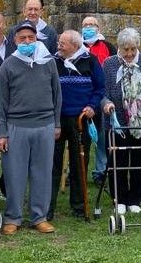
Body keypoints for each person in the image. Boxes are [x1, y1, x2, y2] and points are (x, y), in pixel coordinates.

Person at [0, 20, 61, 235]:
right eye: (22, 38)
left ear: (36, 39)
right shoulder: (8, 65)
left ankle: (39, 216)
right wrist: (2, 133)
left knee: (42, 173)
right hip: (16, 126)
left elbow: (57, 94)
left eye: (30, 38)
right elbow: (0, 103)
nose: (26, 41)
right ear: (15, 40)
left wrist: (57, 123)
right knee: (15, 174)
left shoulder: (48, 62)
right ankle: (13, 217)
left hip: (45, 125)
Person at [101, 27, 141, 214]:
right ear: (119, 47)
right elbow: (102, 92)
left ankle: (135, 198)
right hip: (117, 122)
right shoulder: (109, 63)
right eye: (125, 49)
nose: (129, 54)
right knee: (117, 161)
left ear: (137, 47)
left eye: (132, 49)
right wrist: (107, 103)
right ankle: (119, 198)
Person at [49, 30, 104, 220]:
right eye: (58, 42)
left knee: (79, 162)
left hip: (80, 118)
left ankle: (79, 206)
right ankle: (47, 208)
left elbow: (99, 87)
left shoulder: (90, 60)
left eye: (62, 43)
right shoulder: (53, 61)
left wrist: (92, 106)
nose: (59, 46)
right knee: (52, 164)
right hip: (56, 119)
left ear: (75, 45)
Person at [82, 15, 117, 184]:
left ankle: (100, 171)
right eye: (85, 24)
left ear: (99, 28)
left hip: (102, 96)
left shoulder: (108, 47)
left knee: (102, 136)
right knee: (83, 139)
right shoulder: (76, 45)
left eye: (92, 25)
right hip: (81, 98)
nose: (88, 27)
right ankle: (80, 170)